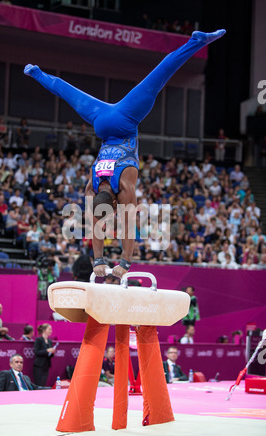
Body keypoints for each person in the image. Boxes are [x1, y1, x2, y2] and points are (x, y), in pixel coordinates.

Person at [24, 29, 226, 278]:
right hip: (102, 124)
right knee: (68, 93)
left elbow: (125, 228)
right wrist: (99, 260)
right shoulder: (93, 184)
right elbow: (99, 225)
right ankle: (37, 72)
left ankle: (196, 41)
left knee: (158, 78)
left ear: (114, 206)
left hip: (126, 120)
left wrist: (124, 264)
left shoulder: (123, 187)